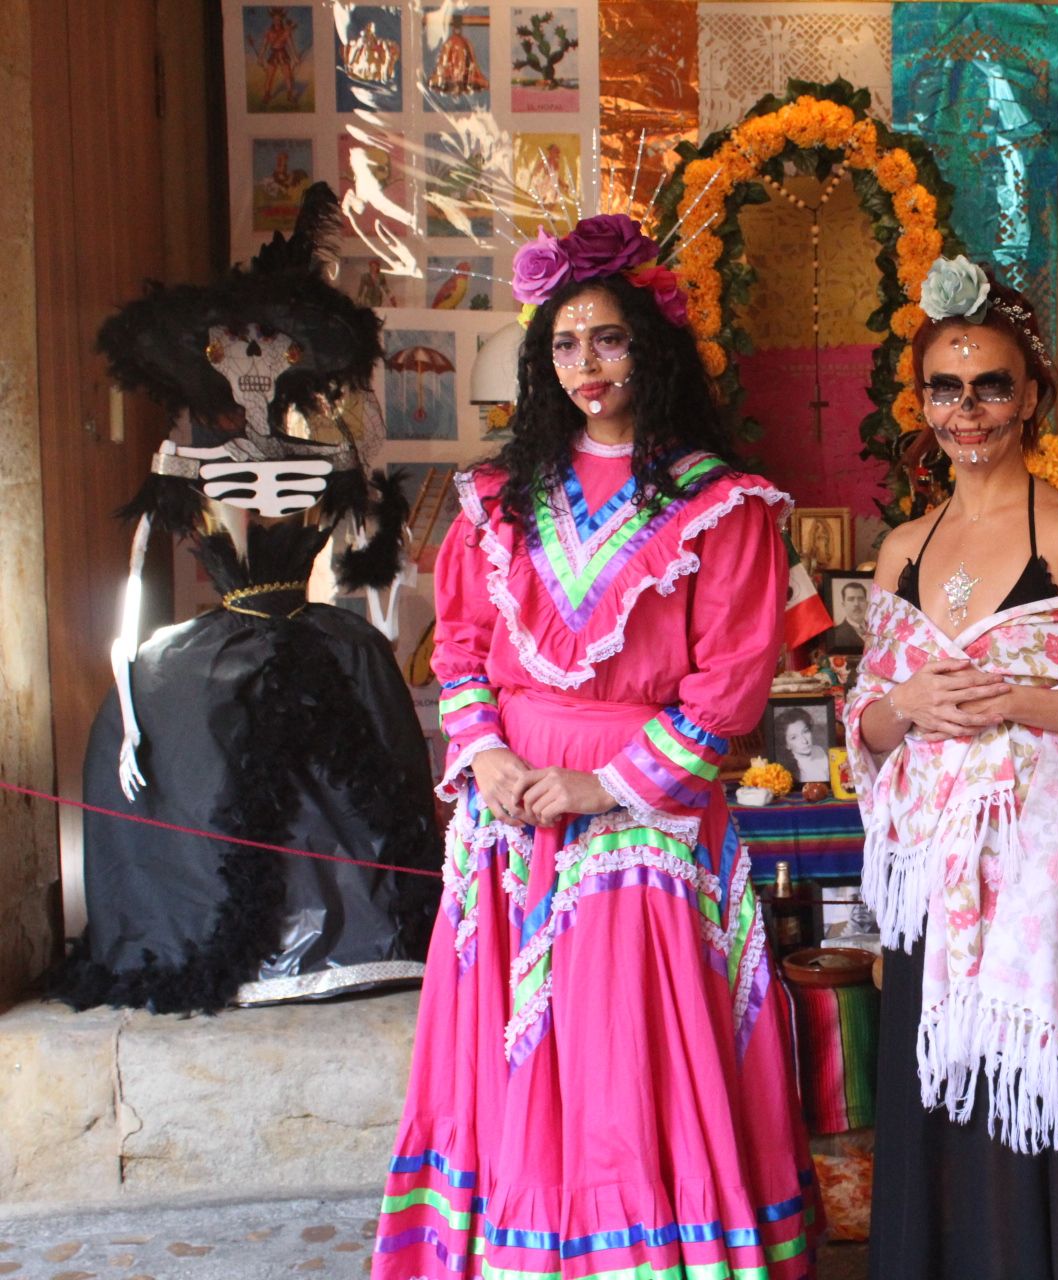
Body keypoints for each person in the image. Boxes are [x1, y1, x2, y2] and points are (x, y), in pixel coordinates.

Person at [374, 215, 817, 1280]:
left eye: (608, 339)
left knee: (624, 1062)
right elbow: (464, 647)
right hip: (509, 816)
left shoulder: (723, 501)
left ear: (650, 348)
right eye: (565, 343)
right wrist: (486, 763)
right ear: (542, 359)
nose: (586, 365)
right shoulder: (496, 498)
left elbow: (731, 681)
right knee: (508, 1058)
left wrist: (595, 783)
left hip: (638, 822)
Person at [844, 255, 1058, 1279]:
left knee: (1027, 1138)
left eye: (990, 383)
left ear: (1030, 393)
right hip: (934, 894)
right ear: (923, 401)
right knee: (938, 1121)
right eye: (945, 386)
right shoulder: (901, 545)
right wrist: (906, 706)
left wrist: (1011, 700)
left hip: (1044, 893)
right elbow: (866, 712)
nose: (967, 408)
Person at [50, 183, 433, 1014]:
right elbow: (142, 555)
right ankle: (222, 930)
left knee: (345, 716)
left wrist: (376, 624)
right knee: (181, 718)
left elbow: (368, 543)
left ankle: (361, 926)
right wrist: (125, 669)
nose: (253, 362)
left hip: (313, 621)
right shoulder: (190, 458)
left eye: (269, 349)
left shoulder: (320, 454)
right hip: (224, 631)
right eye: (236, 350)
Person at [775, 707, 832, 783]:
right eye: (794, 737)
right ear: (787, 745)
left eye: (805, 732)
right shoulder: (788, 769)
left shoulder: (818, 750)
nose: (804, 741)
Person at [827, 577, 869, 650]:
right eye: (851, 599)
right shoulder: (835, 635)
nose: (856, 604)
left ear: (866, 603)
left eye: (861, 599)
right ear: (843, 604)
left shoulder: (879, 631)